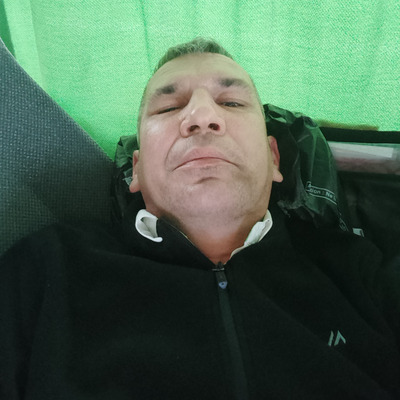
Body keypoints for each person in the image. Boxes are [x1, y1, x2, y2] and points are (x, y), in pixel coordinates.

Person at [0, 38, 399, 400]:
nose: (202, 116)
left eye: (232, 103)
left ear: (274, 158)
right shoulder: (47, 269)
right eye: (169, 107)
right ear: (136, 170)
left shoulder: (357, 270)